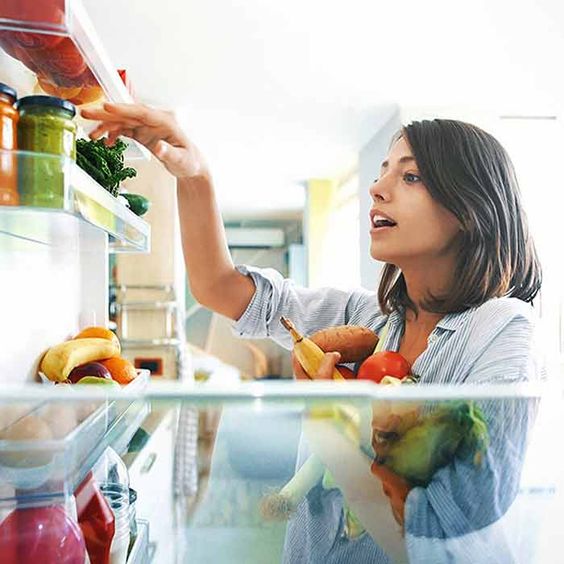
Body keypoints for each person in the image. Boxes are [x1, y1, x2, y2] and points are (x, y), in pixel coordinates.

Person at [82, 104, 545, 562]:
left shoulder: (502, 328)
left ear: (469, 207)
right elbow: (218, 287)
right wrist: (193, 173)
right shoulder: (366, 316)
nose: (377, 187)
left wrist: (327, 424)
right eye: (383, 171)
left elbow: (442, 530)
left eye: (410, 176)